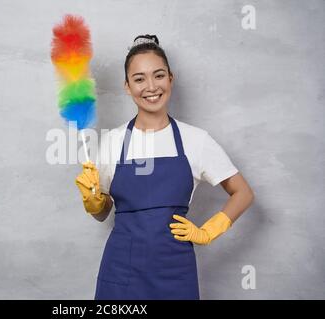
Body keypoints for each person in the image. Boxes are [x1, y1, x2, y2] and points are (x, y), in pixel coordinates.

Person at [75, 34, 254, 300]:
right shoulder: (112, 142)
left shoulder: (197, 140)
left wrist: (207, 231)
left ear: (171, 78)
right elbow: (103, 214)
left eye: (158, 75)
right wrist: (94, 202)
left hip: (175, 271)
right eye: (139, 79)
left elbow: (243, 193)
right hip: (121, 271)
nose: (150, 86)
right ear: (127, 86)